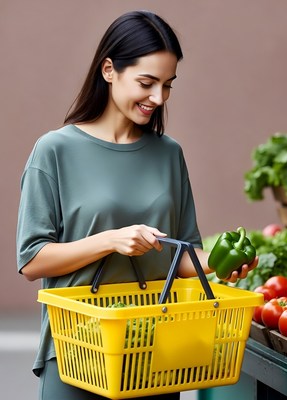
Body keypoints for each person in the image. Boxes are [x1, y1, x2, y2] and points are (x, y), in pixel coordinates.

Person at [16, 10, 258, 400]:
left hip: (155, 357)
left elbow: (179, 258)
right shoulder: (54, 151)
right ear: (109, 69)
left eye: (168, 85)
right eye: (147, 83)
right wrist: (111, 240)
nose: (158, 98)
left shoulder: (169, 155)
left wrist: (219, 262)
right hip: (78, 354)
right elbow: (32, 261)